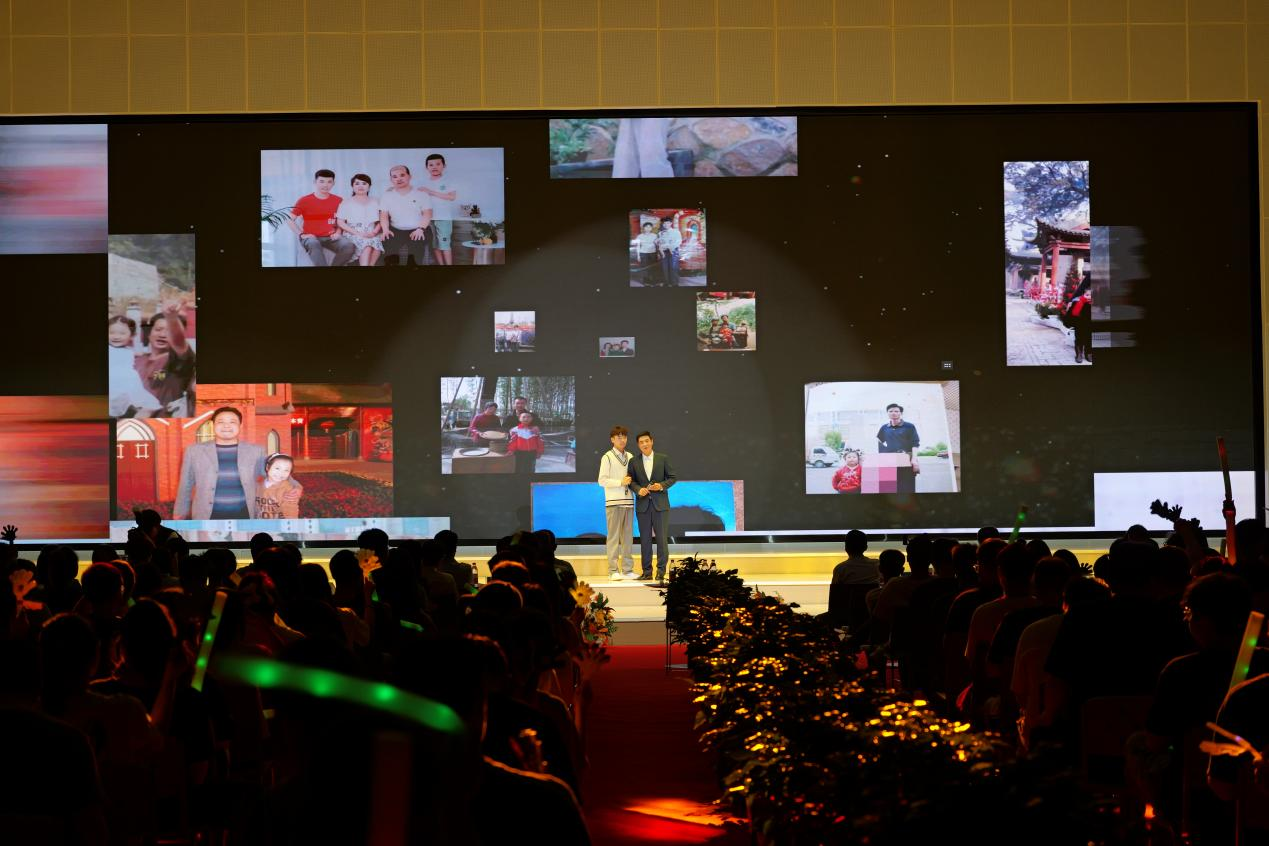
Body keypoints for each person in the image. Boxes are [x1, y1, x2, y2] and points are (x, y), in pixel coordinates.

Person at [173, 406, 267, 520]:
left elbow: (271, 476)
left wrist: (289, 490)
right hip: (206, 515)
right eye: (220, 422)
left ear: (240, 425)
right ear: (213, 425)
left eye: (232, 422)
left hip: (245, 514)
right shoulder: (194, 451)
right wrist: (180, 511)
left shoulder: (256, 451)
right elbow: (186, 483)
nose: (226, 426)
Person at [627, 431, 676, 582]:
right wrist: (638, 489)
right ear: (638, 445)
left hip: (660, 506)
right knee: (645, 540)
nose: (644, 444)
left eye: (646, 441)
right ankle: (647, 572)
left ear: (652, 441)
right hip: (643, 506)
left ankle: (661, 572)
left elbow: (672, 477)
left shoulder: (663, 458)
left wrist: (660, 486)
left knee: (661, 540)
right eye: (641, 442)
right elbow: (631, 481)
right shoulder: (633, 461)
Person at [134, 302, 195, 418]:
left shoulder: (179, 359)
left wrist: (171, 318)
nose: (162, 335)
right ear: (149, 333)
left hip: (165, 423)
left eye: (168, 331)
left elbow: (178, 342)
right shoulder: (136, 361)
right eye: (158, 329)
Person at [288, 168, 356, 267]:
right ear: (315, 182)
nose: (325, 185)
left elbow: (342, 220)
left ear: (333, 183)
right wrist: (301, 234)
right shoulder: (305, 200)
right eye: (322, 181)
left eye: (329, 182)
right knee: (313, 243)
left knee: (349, 246)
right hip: (311, 237)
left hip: (331, 237)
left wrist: (338, 232)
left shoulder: (338, 200)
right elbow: (289, 219)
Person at [598, 426, 635, 581]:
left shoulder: (630, 456)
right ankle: (613, 570)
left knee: (628, 537)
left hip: (629, 501)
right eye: (618, 437)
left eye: (624, 437)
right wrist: (620, 482)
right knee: (613, 537)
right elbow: (602, 480)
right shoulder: (607, 457)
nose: (622, 440)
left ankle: (627, 570)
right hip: (613, 502)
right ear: (612, 439)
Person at [108, 315, 161, 418]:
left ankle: (136, 421)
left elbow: (142, 353)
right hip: (113, 381)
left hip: (129, 382)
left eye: (122, 333)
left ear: (132, 336)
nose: (116, 336)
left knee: (147, 405)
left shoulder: (130, 350)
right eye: (111, 333)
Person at [379, 164, 433, 266]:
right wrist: (385, 229)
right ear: (391, 180)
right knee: (389, 257)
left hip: (418, 229)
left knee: (414, 258)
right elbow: (383, 215)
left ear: (409, 176)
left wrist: (421, 229)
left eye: (402, 175)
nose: (399, 179)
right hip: (396, 229)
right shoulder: (387, 195)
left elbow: (427, 214)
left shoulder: (421, 194)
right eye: (395, 177)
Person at [335, 173, 384, 267]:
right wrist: (358, 233)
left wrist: (374, 232)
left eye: (364, 183)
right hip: (352, 233)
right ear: (352, 186)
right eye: (357, 183)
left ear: (369, 186)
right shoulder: (346, 202)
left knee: (376, 246)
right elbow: (340, 222)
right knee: (367, 246)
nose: (360, 186)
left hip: (371, 232)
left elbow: (381, 220)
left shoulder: (376, 201)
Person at [418, 153, 457, 266]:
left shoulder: (448, 180)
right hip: (428, 219)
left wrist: (430, 192)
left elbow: (452, 197)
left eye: (438, 164)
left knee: (444, 244)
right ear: (426, 167)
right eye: (431, 165)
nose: (434, 167)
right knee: (434, 244)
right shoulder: (423, 182)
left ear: (444, 166)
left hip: (443, 218)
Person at [876, 402, 920, 494]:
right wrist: (882, 457)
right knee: (889, 487)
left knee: (907, 486)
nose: (893, 413)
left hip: (906, 459)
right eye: (891, 411)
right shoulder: (884, 428)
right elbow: (879, 442)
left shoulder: (909, 426)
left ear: (901, 413)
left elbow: (915, 443)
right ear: (887, 413)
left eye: (896, 411)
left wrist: (914, 459)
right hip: (889, 461)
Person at [254, 452, 303, 519]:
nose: (281, 473)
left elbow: (291, 511)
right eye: (277, 468)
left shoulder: (288, 490)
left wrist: (290, 523)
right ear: (267, 467)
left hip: (279, 523)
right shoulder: (259, 485)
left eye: (286, 470)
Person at [656, 215, 682, 287]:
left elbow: (679, 241)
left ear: (671, 223)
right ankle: (666, 282)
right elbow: (659, 242)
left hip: (673, 250)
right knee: (664, 267)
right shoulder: (660, 233)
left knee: (673, 267)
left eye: (667, 223)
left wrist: (669, 246)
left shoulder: (676, 232)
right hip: (663, 251)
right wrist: (660, 245)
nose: (665, 225)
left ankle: (674, 283)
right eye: (664, 223)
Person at [634, 220, 659, 285]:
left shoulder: (655, 235)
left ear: (651, 228)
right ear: (643, 228)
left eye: (649, 227)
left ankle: (653, 280)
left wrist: (658, 253)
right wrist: (638, 256)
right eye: (646, 227)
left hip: (652, 253)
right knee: (644, 267)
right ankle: (646, 281)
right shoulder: (639, 236)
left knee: (653, 267)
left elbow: (657, 245)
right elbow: (638, 246)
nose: (648, 228)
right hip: (643, 253)